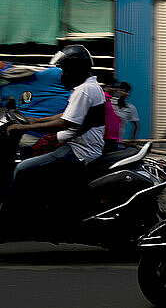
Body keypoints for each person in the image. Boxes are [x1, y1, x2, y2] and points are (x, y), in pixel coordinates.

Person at [2, 45, 105, 209]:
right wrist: (35, 121)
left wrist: (22, 128)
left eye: (65, 69)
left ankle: (9, 213)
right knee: (31, 154)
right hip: (83, 147)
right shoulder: (90, 87)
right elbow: (65, 116)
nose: (63, 74)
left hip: (78, 151)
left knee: (22, 169)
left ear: (76, 68)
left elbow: (64, 123)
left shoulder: (84, 90)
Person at [102, 76, 121, 153]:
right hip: (107, 137)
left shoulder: (110, 100)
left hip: (113, 137)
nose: (116, 90)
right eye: (115, 88)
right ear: (109, 86)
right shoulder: (103, 98)